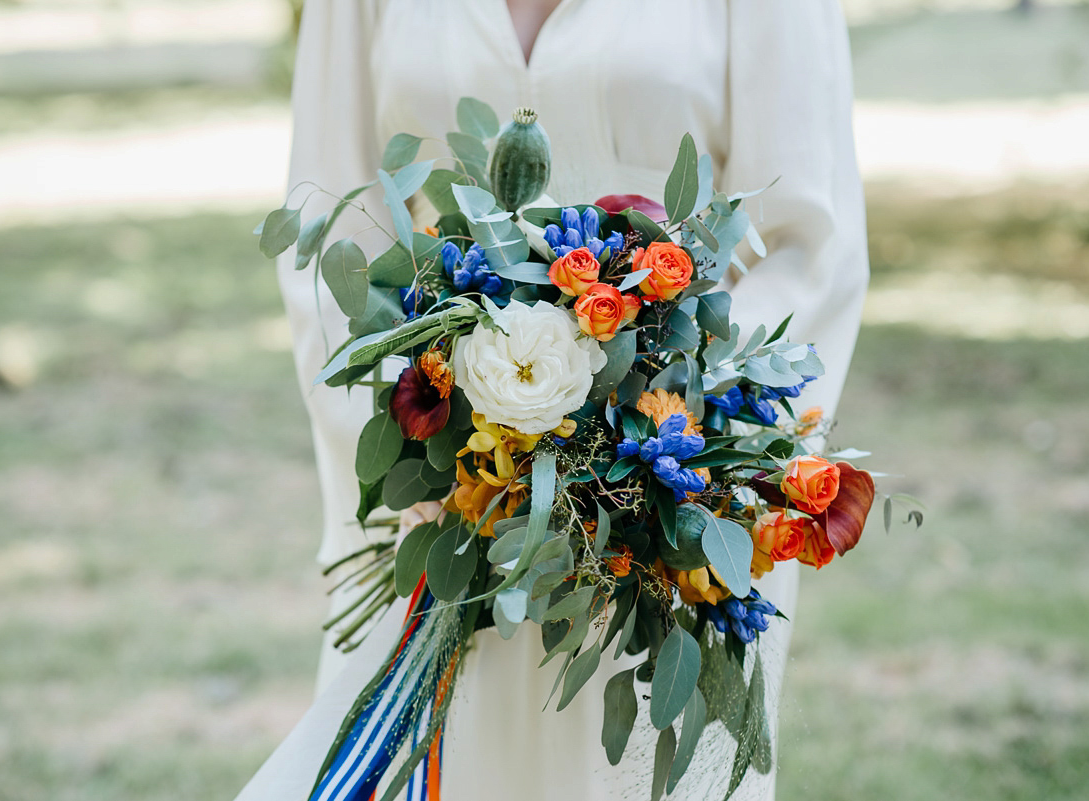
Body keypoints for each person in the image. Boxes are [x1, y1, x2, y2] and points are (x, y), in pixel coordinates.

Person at [238, 1, 868, 799]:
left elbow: (812, 239)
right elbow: (333, 227)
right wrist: (423, 448)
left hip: (670, 509)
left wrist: (666, 451)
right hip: (442, 501)